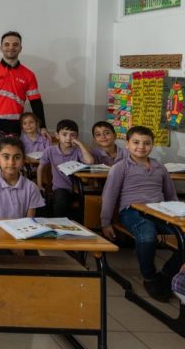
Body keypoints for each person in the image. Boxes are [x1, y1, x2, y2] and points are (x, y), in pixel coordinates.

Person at [101, 126, 182, 302]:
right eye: (136, 142)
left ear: (152, 145)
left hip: (160, 210)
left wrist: (178, 215)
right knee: (147, 233)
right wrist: (105, 222)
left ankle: (167, 274)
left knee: (182, 236)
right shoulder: (120, 167)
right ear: (127, 144)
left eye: (146, 143)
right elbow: (109, 195)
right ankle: (149, 276)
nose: (141, 147)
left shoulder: (159, 167)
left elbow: (171, 195)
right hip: (133, 211)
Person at [0, 32, 50, 139]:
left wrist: (43, 126)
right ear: (1, 48)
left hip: (16, 124)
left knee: (15, 150)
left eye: (15, 45)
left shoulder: (28, 74)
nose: (11, 47)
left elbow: (36, 102)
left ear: (20, 48)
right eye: (7, 44)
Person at [37, 119, 93, 220]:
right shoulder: (50, 150)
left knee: (89, 203)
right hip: (60, 188)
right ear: (57, 135)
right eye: (64, 134)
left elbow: (90, 162)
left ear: (77, 137)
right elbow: (40, 167)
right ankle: (60, 225)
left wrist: (80, 145)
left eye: (73, 135)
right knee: (61, 202)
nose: (68, 138)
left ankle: (80, 225)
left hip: (77, 189)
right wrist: (39, 186)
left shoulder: (77, 150)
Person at [0, 137, 44, 219]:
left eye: (17, 157)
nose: (11, 162)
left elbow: (29, 221)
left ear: (23, 160)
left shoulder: (31, 187)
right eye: (6, 157)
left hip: (22, 227)